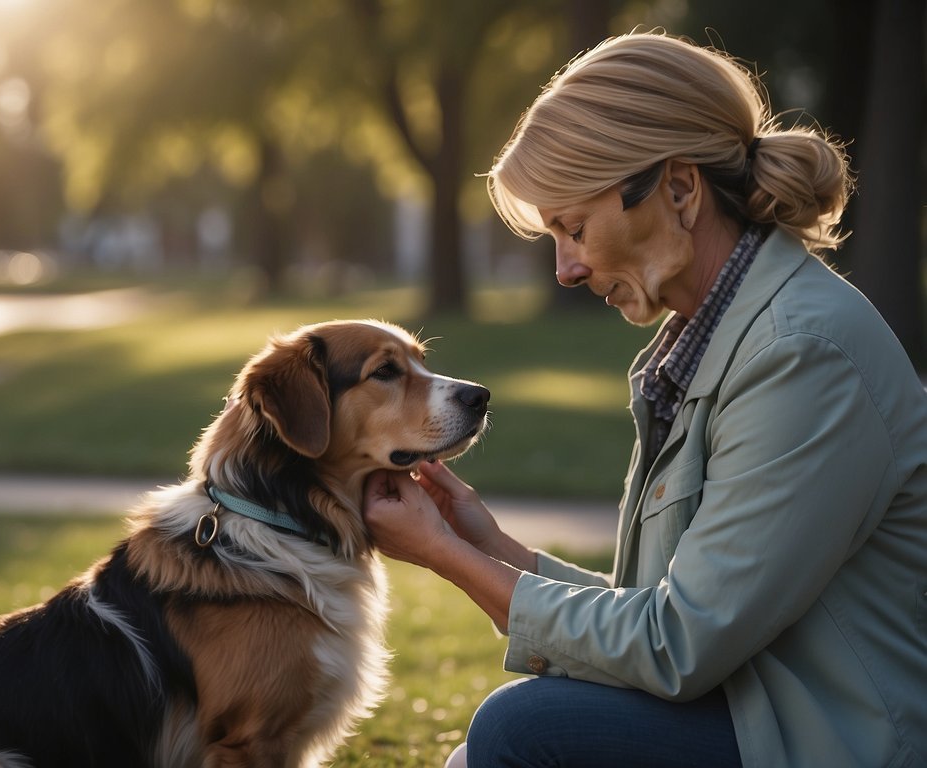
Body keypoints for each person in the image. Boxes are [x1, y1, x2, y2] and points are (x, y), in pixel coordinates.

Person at [362, 30, 927, 768]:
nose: (565, 269)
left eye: (574, 229)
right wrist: (485, 543)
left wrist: (447, 559)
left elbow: (675, 648)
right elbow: (660, 611)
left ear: (681, 190)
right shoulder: (715, 343)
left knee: (520, 731)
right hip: (758, 720)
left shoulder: (799, 354)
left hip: (831, 745)